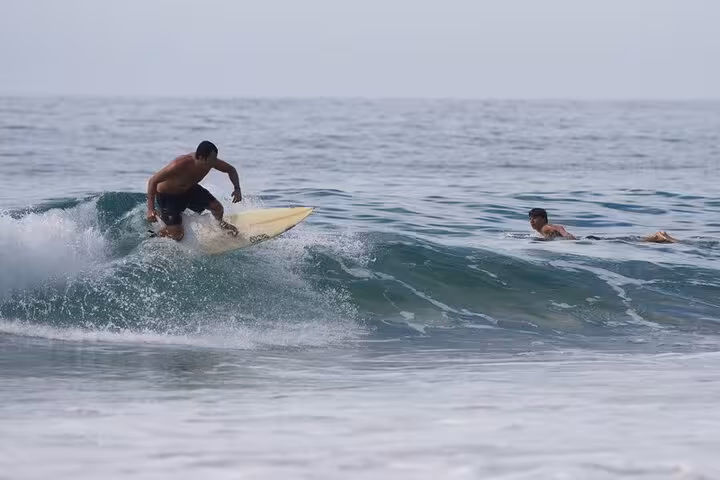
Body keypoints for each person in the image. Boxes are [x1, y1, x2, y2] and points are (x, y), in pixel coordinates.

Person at [147, 141, 242, 241]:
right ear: (201, 157)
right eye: (211, 159)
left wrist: (237, 189)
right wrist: (150, 209)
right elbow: (153, 181)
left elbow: (231, 170)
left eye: (215, 159)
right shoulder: (179, 164)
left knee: (217, 208)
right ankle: (156, 235)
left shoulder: (211, 162)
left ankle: (221, 225)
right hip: (168, 196)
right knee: (177, 235)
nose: (214, 163)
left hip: (189, 189)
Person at [528, 208, 678, 243]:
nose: (531, 221)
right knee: (628, 240)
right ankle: (657, 237)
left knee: (628, 241)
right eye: (530, 218)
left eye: (534, 218)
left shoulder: (546, 228)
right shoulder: (542, 231)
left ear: (543, 219)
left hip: (586, 240)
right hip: (585, 239)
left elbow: (559, 228)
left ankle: (656, 237)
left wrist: (569, 238)